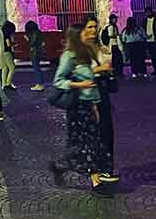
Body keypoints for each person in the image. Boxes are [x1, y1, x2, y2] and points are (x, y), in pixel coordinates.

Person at [49, 16, 116, 192]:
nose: (89, 34)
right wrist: (79, 84)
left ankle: (61, 166)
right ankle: (96, 181)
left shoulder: (85, 54)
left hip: (89, 104)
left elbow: (91, 81)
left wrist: (95, 104)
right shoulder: (69, 56)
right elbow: (58, 81)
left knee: (86, 143)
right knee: (88, 143)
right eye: (85, 32)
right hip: (77, 106)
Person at [25, 20, 45, 91]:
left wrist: (28, 39)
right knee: (38, 68)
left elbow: (32, 43)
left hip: (34, 53)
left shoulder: (33, 34)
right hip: (39, 52)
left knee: (36, 69)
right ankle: (40, 84)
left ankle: (38, 84)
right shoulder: (39, 32)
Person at [1, 20, 17, 90]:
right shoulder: (7, 35)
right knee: (12, 68)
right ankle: (8, 83)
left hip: (2, 53)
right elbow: (8, 45)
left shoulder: (1, 34)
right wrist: (14, 44)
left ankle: (4, 84)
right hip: (7, 53)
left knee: (4, 68)